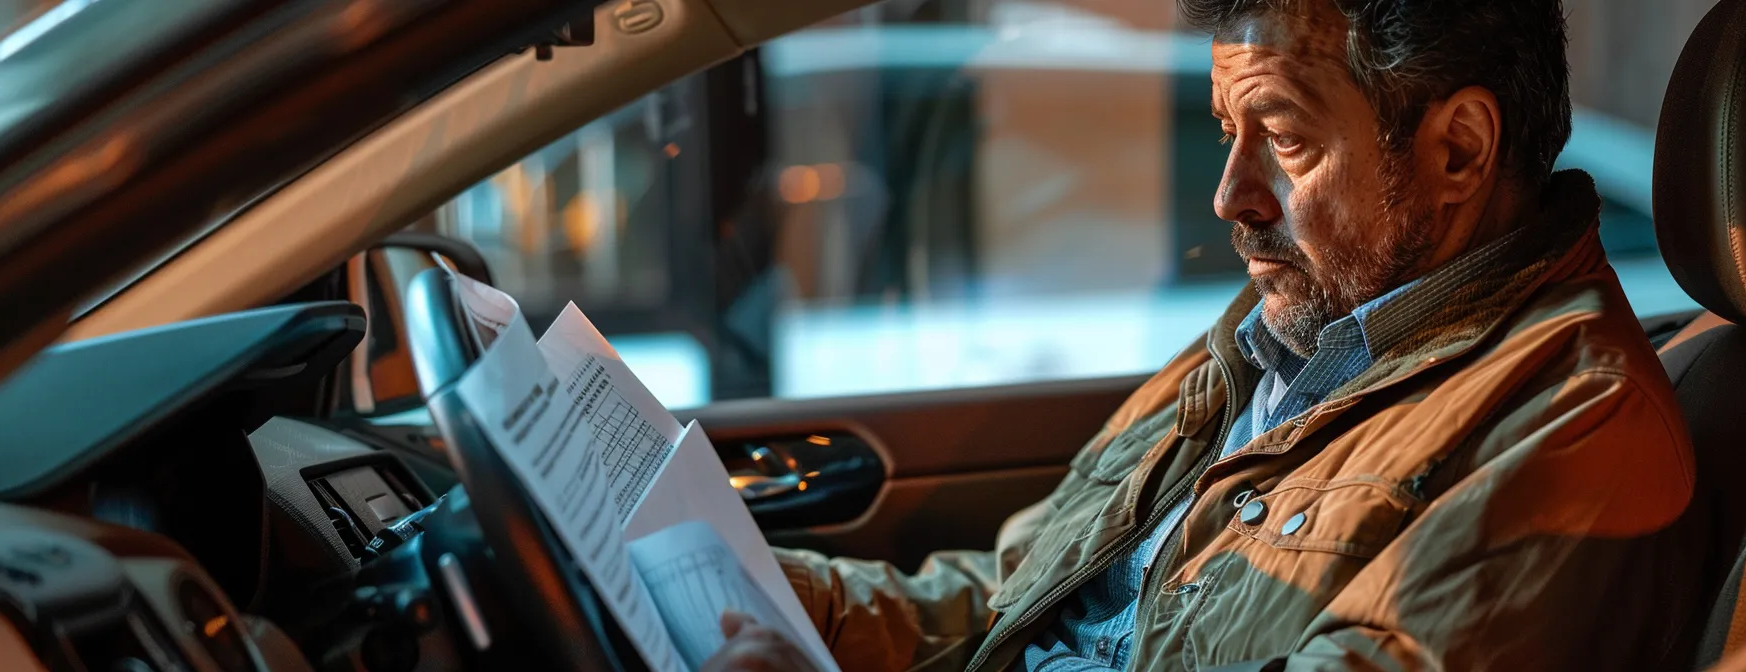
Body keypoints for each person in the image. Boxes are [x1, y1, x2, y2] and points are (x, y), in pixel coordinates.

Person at [705, 0, 1708, 669]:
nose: (1230, 197)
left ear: (1457, 150)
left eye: (1281, 140)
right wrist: (758, 590)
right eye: (1227, 132)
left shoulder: (1572, 430)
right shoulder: (1276, 336)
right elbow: (1027, 598)